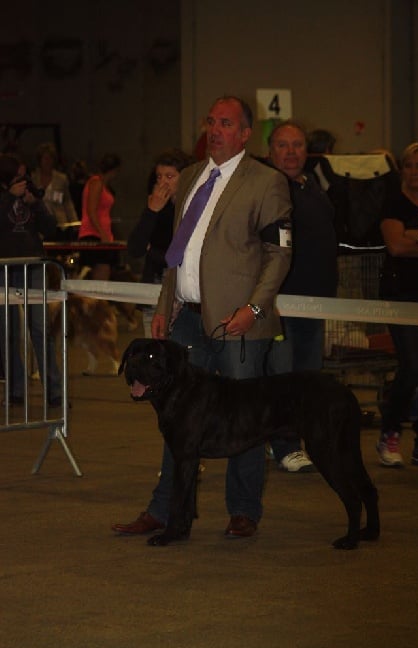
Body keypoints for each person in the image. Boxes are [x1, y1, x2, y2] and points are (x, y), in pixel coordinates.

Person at [112, 95, 292, 539]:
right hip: (187, 320)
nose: (215, 130)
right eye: (211, 122)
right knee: (176, 422)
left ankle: (244, 511)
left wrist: (253, 309)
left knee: (243, 421)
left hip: (239, 324)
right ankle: (166, 510)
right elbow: (177, 255)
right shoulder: (190, 177)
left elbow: (279, 253)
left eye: (226, 123)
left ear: (246, 134)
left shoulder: (266, 182)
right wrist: (164, 308)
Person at [264, 121, 338, 471]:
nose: (291, 152)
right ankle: (283, 445)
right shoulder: (265, 188)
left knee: (310, 377)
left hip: (316, 301)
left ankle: (309, 441)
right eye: (283, 145)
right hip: (281, 303)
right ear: (270, 151)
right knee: (284, 376)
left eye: (297, 145)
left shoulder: (313, 187)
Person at [377, 141, 418, 467]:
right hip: (402, 296)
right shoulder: (393, 203)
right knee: (413, 367)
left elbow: (408, 241)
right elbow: (396, 247)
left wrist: (416, 234)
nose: (414, 172)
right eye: (409, 165)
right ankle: (389, 433)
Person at [0, 153, 62, 406]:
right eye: (18, 175)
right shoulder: (4, 197)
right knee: (7, 331)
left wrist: (35, 203)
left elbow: (51, 228)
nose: (23, 180)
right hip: (4, 267)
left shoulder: (31, 195)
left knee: (40, 328)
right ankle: (15, 388)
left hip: (33, 265)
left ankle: (54, 389)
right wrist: (8, 198)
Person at [127, 149, 194, 336]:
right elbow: (135, 248)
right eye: (159, 177)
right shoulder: (154, 207)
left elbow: (182, 255)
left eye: (170, 176)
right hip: (154, 292)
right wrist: (151, 211)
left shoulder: (193, 208)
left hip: (184, 295)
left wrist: (153, 251)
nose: (163, 182)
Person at [78, 153, 121, 280]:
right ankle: (97, 300)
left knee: (104, 273)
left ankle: (98, 299)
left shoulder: (103, 185)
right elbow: (91, 211)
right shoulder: (96, 183)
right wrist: (102, 234)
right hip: (94, 234)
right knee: (101, 275)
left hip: (102, 234)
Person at [31, 142, 78, 226]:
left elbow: (67, 202)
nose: (48, 161)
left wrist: (74, 222)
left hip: (59, 222)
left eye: (50, 158)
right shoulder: (33, 178)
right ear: (40, 160)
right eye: (45, 158)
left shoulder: (61, 178)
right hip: (38, 223)